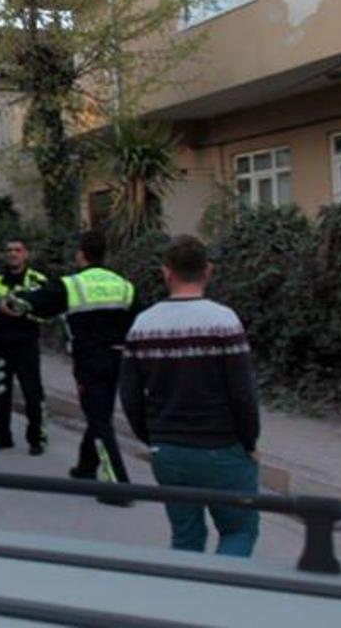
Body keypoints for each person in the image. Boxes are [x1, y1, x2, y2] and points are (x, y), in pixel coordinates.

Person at [119, 236, 261, 557]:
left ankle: (188, 599)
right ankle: (221, 600)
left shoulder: (142, 325)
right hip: (222, 447)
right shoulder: (224, 321)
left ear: (166, 273)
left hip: (168, 450)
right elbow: (243, 393)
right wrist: (249, 442)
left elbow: (129, 395)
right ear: (208, 271)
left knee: (185, 537)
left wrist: (152, 436)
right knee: (238, 530)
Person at [18, 230, 138, 502]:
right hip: (118, 359)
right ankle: (86, 467)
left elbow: (35, 303)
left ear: (81, 254)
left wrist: (15, 303)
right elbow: (138, 321)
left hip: (89, 361)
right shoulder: (124, 285)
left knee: (99, 419)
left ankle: (119, 487)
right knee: (100, 414)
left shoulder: (71, 285)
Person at [0, 238, 49, 455]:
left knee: (33, 394)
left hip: (26, 346)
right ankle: (2, 436)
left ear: (25, 254)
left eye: (17, 250)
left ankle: (37, 438)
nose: (13, 254)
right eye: (9, 250)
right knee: (0, 393)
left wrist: (23, 308)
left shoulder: (38, 279)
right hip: (0, 347)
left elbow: (49, 306)